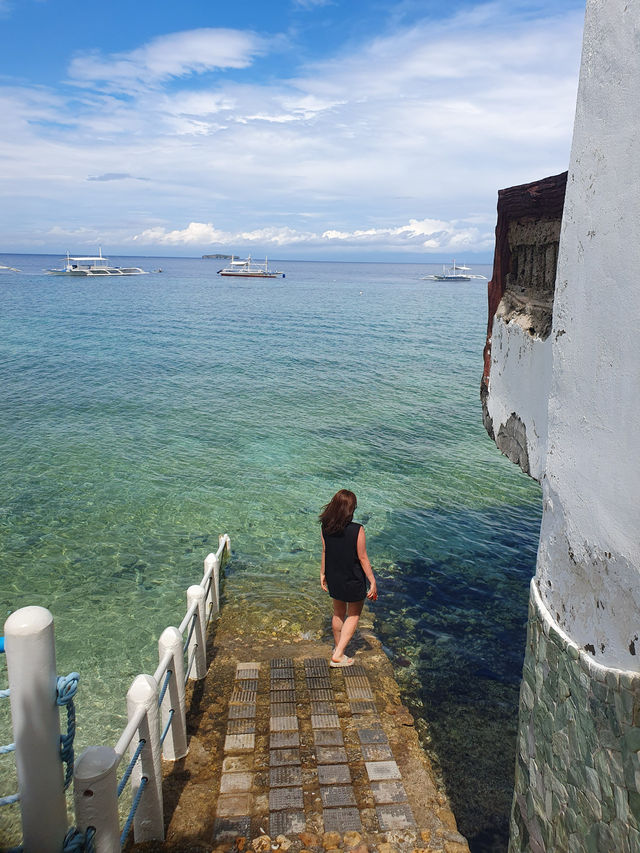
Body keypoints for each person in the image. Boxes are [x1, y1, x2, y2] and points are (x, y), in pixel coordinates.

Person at [319, 489, 377, 667]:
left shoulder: (325, 526)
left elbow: (325, 551)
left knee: (338, 613)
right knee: (353, 614)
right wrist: (372, 581)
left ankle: (338, 648)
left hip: (334, 575)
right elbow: (363, 558)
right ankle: (338, 654)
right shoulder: (357, 530)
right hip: (352, 578)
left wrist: (322, 574)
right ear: (350, 509)